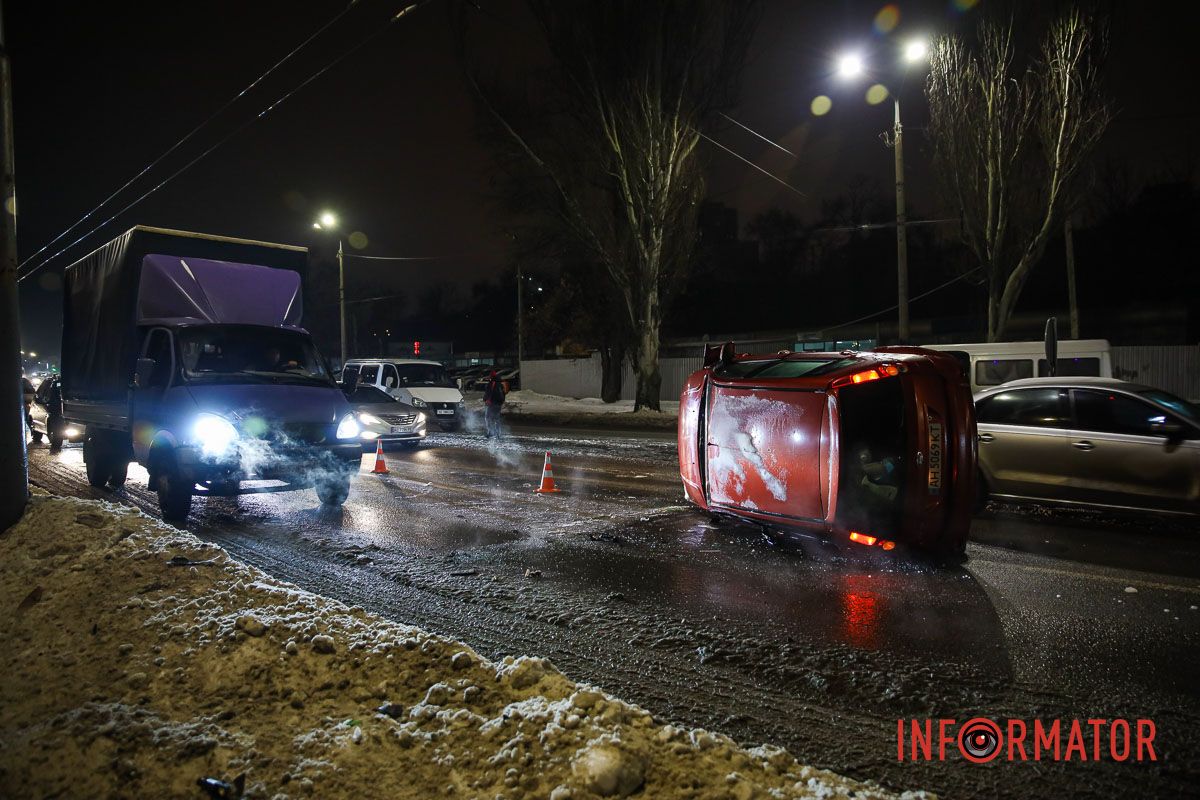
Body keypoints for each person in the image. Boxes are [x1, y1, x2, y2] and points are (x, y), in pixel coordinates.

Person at [483, 369, 506, 438]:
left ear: (491, 376)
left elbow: (489, 393)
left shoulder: (492, 383)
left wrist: (486, 399)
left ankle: (491, 432)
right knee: (496, 418)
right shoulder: (500, 383)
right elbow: (504, 393)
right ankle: (498, 433)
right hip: (498, 403)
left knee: (488, 417)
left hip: (492, 403)